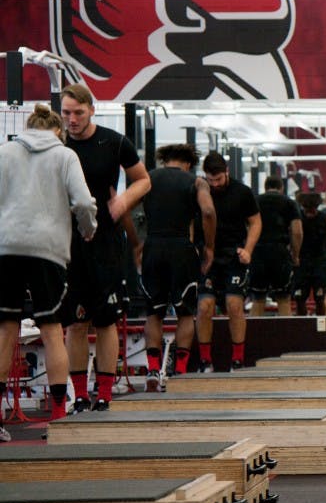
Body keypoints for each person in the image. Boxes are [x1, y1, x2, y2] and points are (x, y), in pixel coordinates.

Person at [0, 104, 97, 439]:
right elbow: (84, 202)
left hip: (7, 248)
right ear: (56, 130)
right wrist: (88, 227)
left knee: (6, 329)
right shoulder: (65, 154)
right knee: (53, 330)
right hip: (48, 251)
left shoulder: (5, 152)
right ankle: (57, 418)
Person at [61, 83, 151, 413]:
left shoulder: (114, 142)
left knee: (106, 320)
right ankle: (79, 395)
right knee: (75, 322)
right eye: (66, 113)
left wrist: (124, 199)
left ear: (92, 110)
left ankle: (105, 395)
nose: (71, 119)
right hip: (67, 242)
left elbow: (144, 180)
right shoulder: (58, 142)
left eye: (78, 113)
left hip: (106, 242)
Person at [139, 144, 216, 391]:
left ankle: (152, 369)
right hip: (181, 248)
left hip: (153, 245)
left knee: (154, 312)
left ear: (164, 160)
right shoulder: (196, 182)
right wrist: (210, 247)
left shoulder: (147, 178)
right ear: (189, 163)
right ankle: (179, 373)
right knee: (184, 312)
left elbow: (124, 212)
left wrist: (135, 245)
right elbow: (208, 211)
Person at [195, 151, 261, 372]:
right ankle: (205, 361)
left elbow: (256, 222)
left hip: (234, 256)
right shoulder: (200, 191)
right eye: (210, 180)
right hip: (208, 257)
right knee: (204, 307)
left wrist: (248, 250)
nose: (214, 184)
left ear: (227, 172)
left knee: (234, 305)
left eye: (219, 179)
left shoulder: (242, 192)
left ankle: (238, 360)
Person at [250, 176, 302, 316]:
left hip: (258, 252)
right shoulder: (289, 203)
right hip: (280, 252)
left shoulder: (255, 201)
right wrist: (295, 255)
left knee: (258, 299)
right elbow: (297, 231)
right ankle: (288, 337)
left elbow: (245, 226)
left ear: (265, 187)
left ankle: (253, 336)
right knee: (284, 299)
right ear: (281, 188)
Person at [292, 192, 326, 316]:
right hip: (301, 261)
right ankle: (302, 326)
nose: (309, 213)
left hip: (320, 261)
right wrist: (293, 255)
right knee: (299, 298)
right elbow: (291, 236)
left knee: (319, 298)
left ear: (317, 207)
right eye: (306, 209)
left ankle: (321, 326)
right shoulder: (297, 218)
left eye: (312, 210)